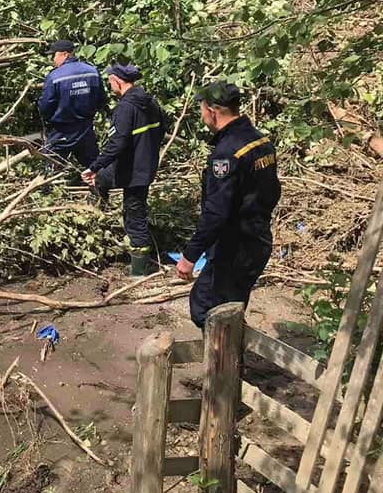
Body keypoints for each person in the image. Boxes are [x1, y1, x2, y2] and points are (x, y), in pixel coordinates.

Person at [175, 82, 281, 329]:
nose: (202, 115)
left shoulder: (227, 153)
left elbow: (216, 213)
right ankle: (233, 350)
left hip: (235, 248)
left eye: (202, 109)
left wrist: (190, 256)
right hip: (258, 239)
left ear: (212, 111)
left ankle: (228, 354)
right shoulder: (260, 140)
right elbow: (273, 191)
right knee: (230, 308)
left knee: (206, 309)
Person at [81, 64, 166, 276]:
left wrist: (95, 166)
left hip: (132, 169)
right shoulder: (150, 102)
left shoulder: (125, 108)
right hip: (145, 165)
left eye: (110, 81)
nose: (110, 86)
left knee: (134, 214)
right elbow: (162, 129)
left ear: (117, 81)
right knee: (104, 184)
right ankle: (101, 220)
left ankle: (138, 270)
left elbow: (116, 144)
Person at [36, 39, 106, 181]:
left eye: (54, 55)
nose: (53, 59)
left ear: (65, 54)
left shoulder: (55, 76)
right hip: (86, 128)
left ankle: (47, 190)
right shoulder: (92, 71)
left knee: (51, 164)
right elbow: (101, 99)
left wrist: (48, 118)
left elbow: (45, 105)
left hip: (62, 130)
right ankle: (100, 191)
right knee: (93, 166)